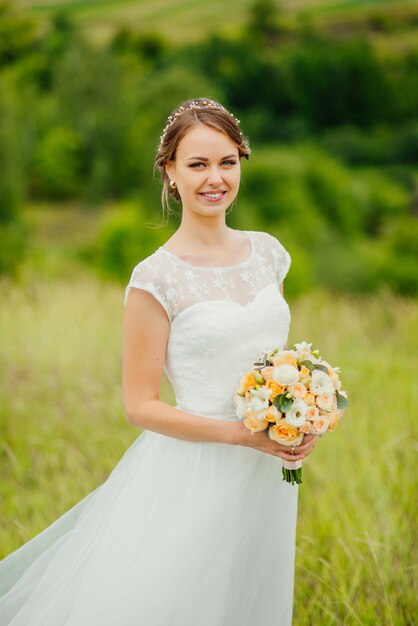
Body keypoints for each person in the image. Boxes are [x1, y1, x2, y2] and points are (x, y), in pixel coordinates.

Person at [0, 97, 317, 625]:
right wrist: (243, 435)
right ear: (170, 172)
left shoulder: (268, 253)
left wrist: (306, 410)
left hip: (268, 469)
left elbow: (277, 360)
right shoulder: (156, 278)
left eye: (227, 161)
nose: (215, 178)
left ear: (241, 161)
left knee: (249, 596)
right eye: (197, 164)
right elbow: (139, 406)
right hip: (192, 470)